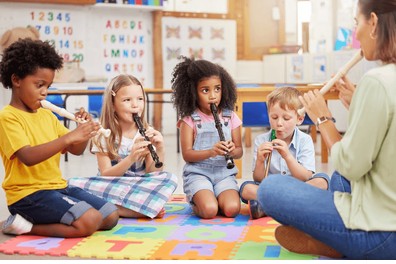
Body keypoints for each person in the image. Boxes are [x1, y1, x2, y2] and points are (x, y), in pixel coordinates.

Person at [257, 0, 396, 259]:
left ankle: (339, 244)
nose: (356, 33)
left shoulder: (378, 81)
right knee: (338, 183)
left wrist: (323, 120)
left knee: (270, 189)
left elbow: (352, 165)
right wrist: (359, 105)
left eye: (357, 23)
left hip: (382, 231)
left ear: (374, 23)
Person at [0, 38, 119, 237]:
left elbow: (76, 150)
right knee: (89, 221)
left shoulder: (47, 115)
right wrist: (68, 137)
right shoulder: (8, 117)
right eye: (39, 85)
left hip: (58, 187)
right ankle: (23, 225)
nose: (45, 92)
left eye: (48, 85)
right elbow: (28, 157)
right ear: (16, 80)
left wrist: (82, 131)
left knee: (110, 215)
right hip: (28, 196)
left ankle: (69, 219)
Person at [68, 74, 177, 219]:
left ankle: (113, 207)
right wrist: (131, 158)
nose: (135, 105)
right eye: (127, 100)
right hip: (112, 185)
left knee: (170, 178)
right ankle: (131, 209)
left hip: (137, 188)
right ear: (113, 105)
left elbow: (153, 173)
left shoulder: (146, 131)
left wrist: (161, 149)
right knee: (72, 184)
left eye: (140, 99)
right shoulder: (103, 134)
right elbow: (106, 175)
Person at [239, 87, 329, 219]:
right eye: (274, 117)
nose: (279, 123)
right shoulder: (261, 140)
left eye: (286, 118)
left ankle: (269, 206)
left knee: (323, 181)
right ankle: (294, 205)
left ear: (299, 119)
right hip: (271, 188)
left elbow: (305, 177)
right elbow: (258, 179)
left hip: (298, 186)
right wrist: (259, 161)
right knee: (246, 188)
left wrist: (287, 156)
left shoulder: (305, 140)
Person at [171, 56, 243, 219]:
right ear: (193, 92)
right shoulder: (189, 120)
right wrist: (211, 152)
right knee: (209, 211)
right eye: (205, 90)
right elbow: (187, 155)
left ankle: (215, 197)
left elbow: (239, 151)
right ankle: (198, 201)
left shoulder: (230, 116)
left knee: (232, 209)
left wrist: (233, 151)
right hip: (198, 173)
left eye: (217, 89)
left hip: (224, 173)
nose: (213, 96)